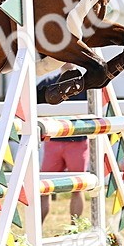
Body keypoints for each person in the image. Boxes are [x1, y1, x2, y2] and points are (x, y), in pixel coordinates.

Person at [37, 76, 88, 222]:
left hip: (77, 142)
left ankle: (75, 227)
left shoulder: (86, 83)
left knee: (78, 187)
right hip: (53, 141)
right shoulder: (47, 83)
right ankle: (36, 229)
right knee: (43, 187)